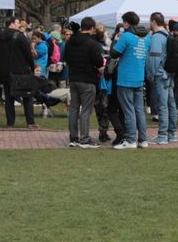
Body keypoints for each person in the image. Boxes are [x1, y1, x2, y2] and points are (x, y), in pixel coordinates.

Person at [108, 12, 148, 149]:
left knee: (128, 110)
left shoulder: (126, 36)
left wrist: (115, 40)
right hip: (139, 76)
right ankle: (143, 139)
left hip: (126, 78)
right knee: (139, 110)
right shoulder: (145, 38)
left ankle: (130, 140)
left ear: (126, 23)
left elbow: (114, 53)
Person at [63, 18, 104, 148]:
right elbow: (98, 62)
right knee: (86, 110)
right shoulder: (92, 44)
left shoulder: (70, 42)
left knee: (74, 108)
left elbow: (67, 58)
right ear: (92, 28)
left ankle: (73, 137)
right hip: (87, 79)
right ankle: (84, 138)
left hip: (74, 78)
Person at [0, 15, 39, 128]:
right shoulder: (20, 37)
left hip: (5, 72)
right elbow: (28, 55)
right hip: (21, 72)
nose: (20, 25)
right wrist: (32, 67)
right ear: (12, 23)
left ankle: (10, 123)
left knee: (9, 98)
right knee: (27, 96)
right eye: (18, 22)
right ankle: (30, 122)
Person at [145, 13, 177, 144]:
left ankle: (162, 135)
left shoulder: (157, 37)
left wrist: (150, 74)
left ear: (153, 22)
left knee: (162, 106)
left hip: (160, 74)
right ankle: (172, 134)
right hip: (168, 74)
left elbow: (154, 57)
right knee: (171, 104)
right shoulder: (167, 35)